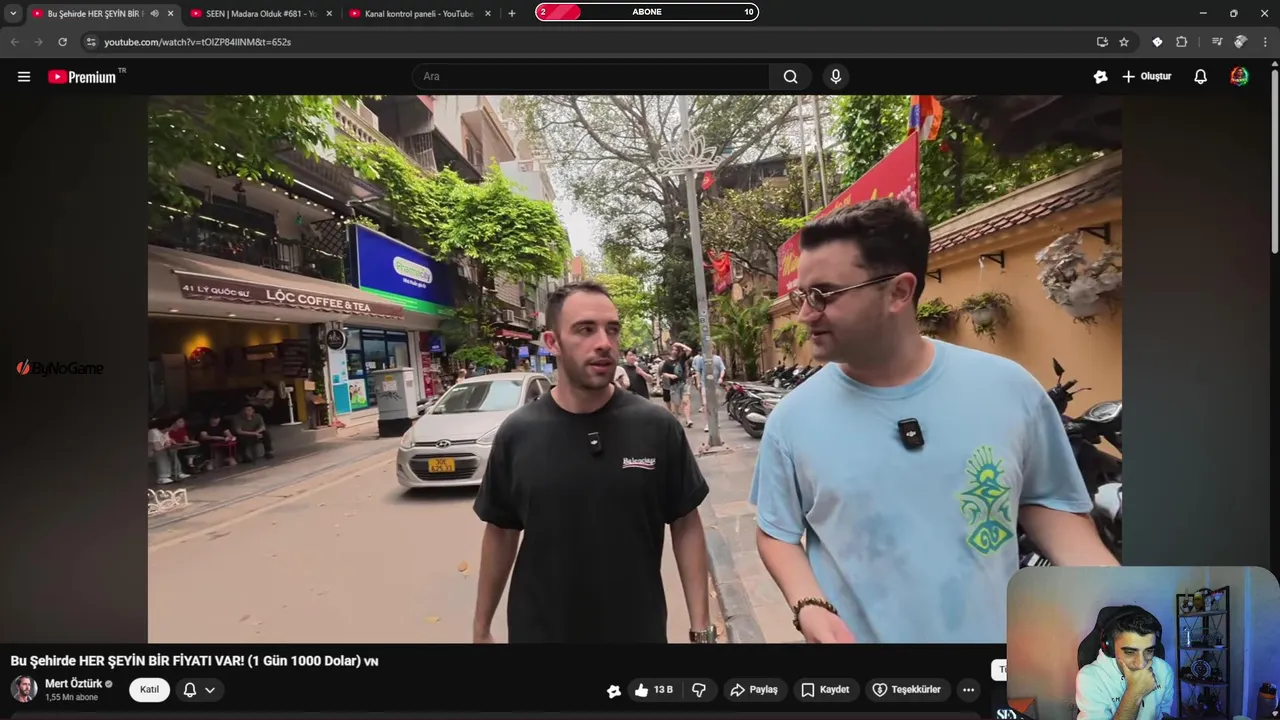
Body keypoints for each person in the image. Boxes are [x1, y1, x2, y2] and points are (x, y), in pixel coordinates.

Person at [749, 198, 1117, 644]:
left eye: (823, 295)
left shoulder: (1010, 389)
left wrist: (1117, 595)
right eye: (802, 296)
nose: (805, 314)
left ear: (898, 292)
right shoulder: (792, 420)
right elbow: (776, 532)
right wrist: (808, 603)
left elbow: (1048, 502)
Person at [471, 281, 714, 644]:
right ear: (553, 342)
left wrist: (702, 631)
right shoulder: (517, 433)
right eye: (585, 330)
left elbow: (686, 523)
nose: (604, 342)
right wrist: (481, 629)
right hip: (539, 632)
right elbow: (501, 532)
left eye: (611, 329)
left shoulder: (656, 426)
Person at [1076, 608, 1175, 720]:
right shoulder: (1090, 678)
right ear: (1110, 647)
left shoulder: (1164, 670)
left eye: (1149, 650)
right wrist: (1135, 693)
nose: (1141, 664)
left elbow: (1164, 712)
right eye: (1130, 652)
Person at [690, 343, 726, 432]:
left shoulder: (717, 358)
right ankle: (707, 423)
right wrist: (698, 383)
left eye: (711, 347)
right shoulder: (701, 359)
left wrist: (721, 377)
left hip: (715, 384)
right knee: (705, 404)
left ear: (713, 348)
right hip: (705, 384)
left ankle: (715, 421)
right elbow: (698, 371)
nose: (710, 349)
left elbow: (722, 369)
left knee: (714, 404)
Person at [148, 418, 190, 484]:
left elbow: (168, 443)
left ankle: (177, 473)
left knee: (173, 451)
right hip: (151, 452)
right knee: (161, 453)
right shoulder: (153, 432)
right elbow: (157, 447)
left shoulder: (165, 432)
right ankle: (162, 477)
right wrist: (166, 446)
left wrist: (169, 445)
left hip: (162, 449)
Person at [661, 345, 693, 427]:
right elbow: (664, 373)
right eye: (673, 350)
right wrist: (670, 375)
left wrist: (679, 344)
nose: (675, 352)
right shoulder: (667, 362)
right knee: (676, 404)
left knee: (686, 401)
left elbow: (689, 350)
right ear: (670, 351)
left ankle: (688, 420)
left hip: (683, 383)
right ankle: (677, 420)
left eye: (676, 350)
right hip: (674, 385)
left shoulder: (681, 358)